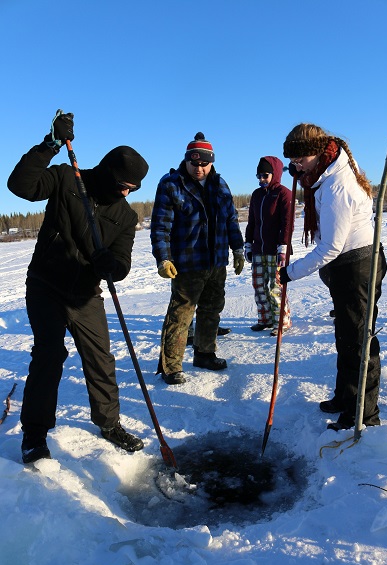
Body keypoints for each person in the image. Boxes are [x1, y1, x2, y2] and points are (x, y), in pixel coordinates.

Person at [7, 111, 149, 463]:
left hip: (86, 294)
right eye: (123, 186)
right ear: (108, 173)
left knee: (101, 358)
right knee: (49, 355)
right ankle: (35, 434)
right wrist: (49, 145)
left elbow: (123, 263)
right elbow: (20, 186)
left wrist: (111, 267)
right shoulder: (68, 180)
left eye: (132, 189)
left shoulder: (126, 216)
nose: (126, 192)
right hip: (46, 285)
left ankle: (109, 423)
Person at [280, 123, 387, 431]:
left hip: (356, 267)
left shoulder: (338, 186)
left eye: (300, 159)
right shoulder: (324, 173)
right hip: (346, 267)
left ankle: (363, 414)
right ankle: (346, 397)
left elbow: (329, 248)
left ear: (316, 152)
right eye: (293, 160)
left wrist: (290, 273)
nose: (296, 166)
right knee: (346, 335)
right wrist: (302, 174)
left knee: (359, 341)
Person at [150, 132, 244, 385]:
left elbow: (232, 220)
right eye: (194, 164)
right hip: (187, 264)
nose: (199, 169)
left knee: (212, 310)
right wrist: (163, 258)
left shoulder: (220, 185)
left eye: (204, 164)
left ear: (211, 162)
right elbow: (160, 227)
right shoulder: (171, 184)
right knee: (181, 315)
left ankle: (204, 353)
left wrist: (237, 249)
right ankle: (170, 367)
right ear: (186, 161)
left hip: (216, 261)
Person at [244, 156, 293, 336]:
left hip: (276, 250)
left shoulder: (283, 193)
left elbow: (287, 224)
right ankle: (264, 318)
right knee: (259, 285)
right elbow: (252, 222)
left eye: (265, 175)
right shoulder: (257, 195)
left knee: (274, 286)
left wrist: (283, 247)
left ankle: (282, 321)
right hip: (259, 249)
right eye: (259, 176)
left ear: (275, 173)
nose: (261, 180)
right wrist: (248, 244)